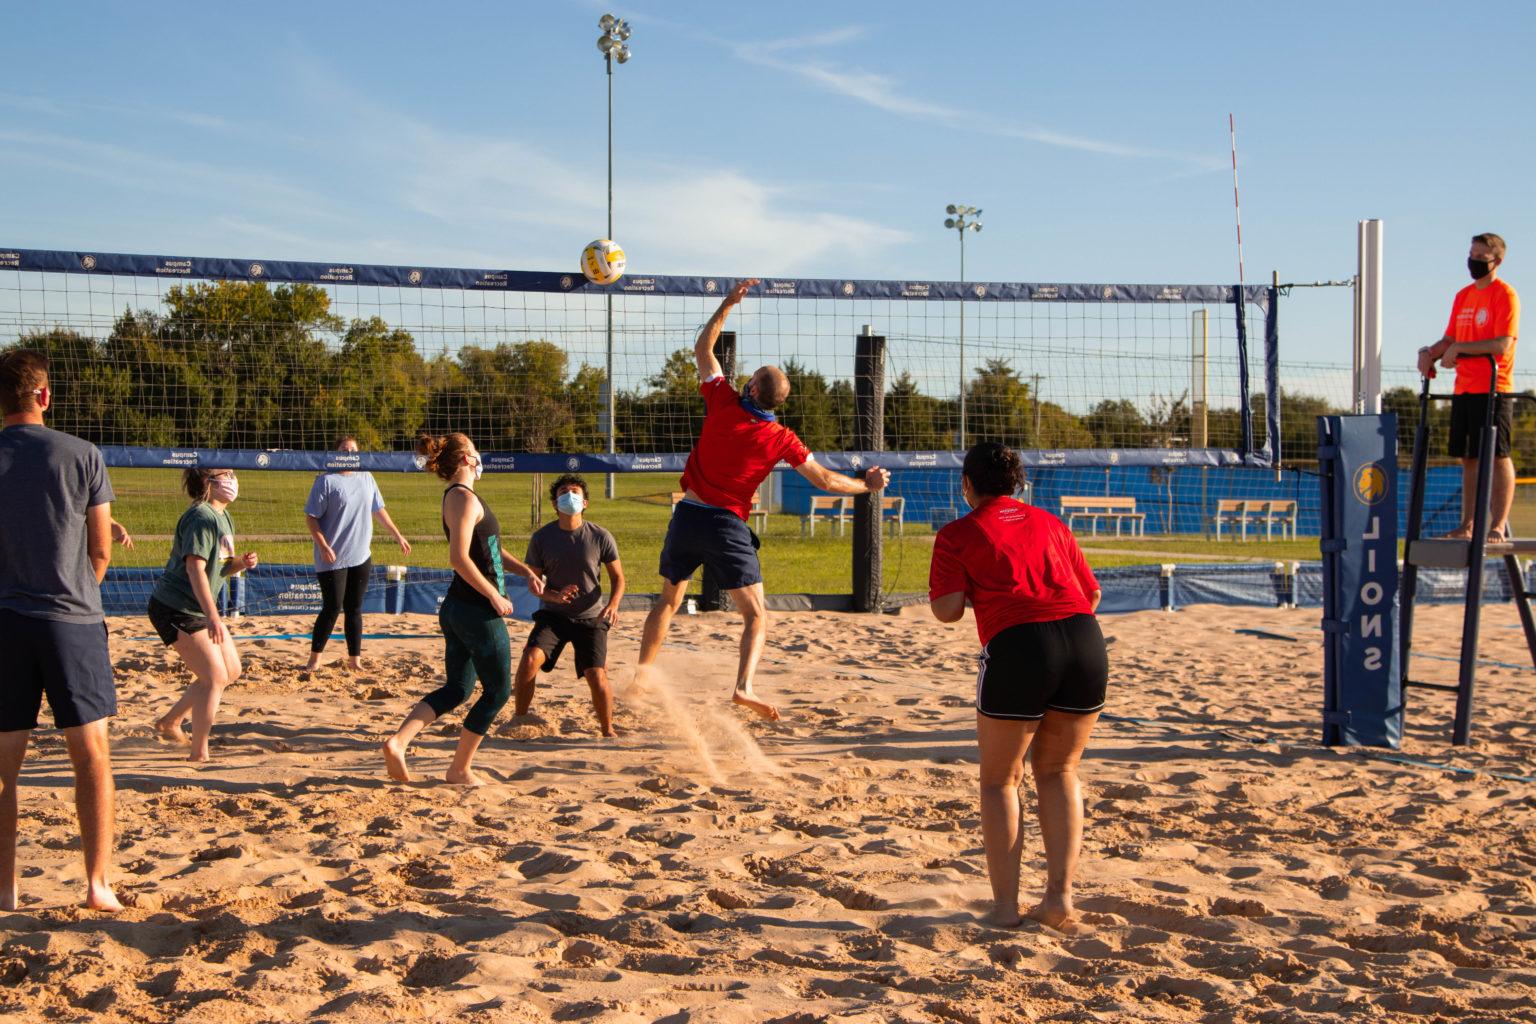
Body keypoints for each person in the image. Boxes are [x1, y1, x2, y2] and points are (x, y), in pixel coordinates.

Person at [634, 278, 891, 721]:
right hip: (725, 527)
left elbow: (702, 347)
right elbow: (826, 480)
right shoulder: (780, 437)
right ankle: (743, 687)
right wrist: (867, 487)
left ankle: (641, 675)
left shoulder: (720, 401)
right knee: (755, 616)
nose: (744, 378)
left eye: (750, 377)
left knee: (668, 601)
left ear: (752, 390)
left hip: (687, 515)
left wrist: (728, 305)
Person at [928, 441, 1106, 933]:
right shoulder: (1051, 522)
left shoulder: (958, 533)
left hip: (1022, 645)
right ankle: (1059, 902)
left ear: (967, 485)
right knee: (1060, 771)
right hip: (1086, 642)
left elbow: (946, 611)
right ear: (1018, 484)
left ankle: (1006, 907)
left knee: (1001, 780)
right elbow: (1091, 592)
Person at [0, 349, 121, 912]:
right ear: (44, 395)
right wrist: (78, 594)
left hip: (3, 623)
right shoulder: (82, 455)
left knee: (5, 766)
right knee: (91, 754)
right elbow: (100, 549)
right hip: (70, 619)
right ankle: (97, 885)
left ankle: (6, 889)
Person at [383, 433, 545, 786]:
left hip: (460, 607)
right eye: (475, 450)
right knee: (499, 691)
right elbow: (458, 558)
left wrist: (526, 571)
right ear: (466, 460)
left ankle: (399, 743)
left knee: (458, 688)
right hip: (475, 610)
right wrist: (494, 596)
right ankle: (459, 769)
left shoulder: (466, 498)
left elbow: (489, 551)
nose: (480, 455)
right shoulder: (462, 498)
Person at [149, 467, 259, 763]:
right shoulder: (200, 516)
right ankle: (199, 752)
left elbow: (221, 565)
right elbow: (194, 568)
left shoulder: (223, 517)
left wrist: (241, 563)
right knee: (213, 677)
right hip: (174, 607)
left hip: (198, 606)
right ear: (209, 483)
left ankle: (169, 722)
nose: (233, 479)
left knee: (231, 671)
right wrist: (214, 617)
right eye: (227, 474)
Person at [1418, 233, 1521, 541]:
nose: (1473, 262)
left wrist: (1461, 349)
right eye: (1471, 255)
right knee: (1469, 458)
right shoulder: (1463, 296)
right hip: (1463, 389)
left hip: (1494, 389)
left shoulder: (1505, 295)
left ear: (1496, 261)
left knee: (1498, 455)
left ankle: (1497, 524)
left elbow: (1502, 343)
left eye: (1480, 257)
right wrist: (1429, 353)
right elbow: (1448, 340)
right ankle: (1468, 525)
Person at [515, 474, 624, 737]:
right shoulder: (542, 538)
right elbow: (534, 582)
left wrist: (613, 604)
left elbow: (618, 578)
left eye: (575, 492)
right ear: (554, 503)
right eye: (563, 492)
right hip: (554, 616)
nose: (569, 496)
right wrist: (554, 596)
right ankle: (519, 718)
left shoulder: (600, 535)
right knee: (530, 659)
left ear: (585, 502)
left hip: (591, 618)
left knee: (596, 675)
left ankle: (607, 730)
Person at [302, 435, 412, 674]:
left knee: (354, 608)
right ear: (336, 453)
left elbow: (379, 509)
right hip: (331, 555)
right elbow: (311, 518)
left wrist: (398, 535)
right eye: (344, 449)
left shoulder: (366, 477)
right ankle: (314, 659)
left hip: (360, 554)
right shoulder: (326, 481)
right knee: (332, 607)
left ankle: (355, 660)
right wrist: (322, 545)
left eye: (353, 449)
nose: (349, 453)